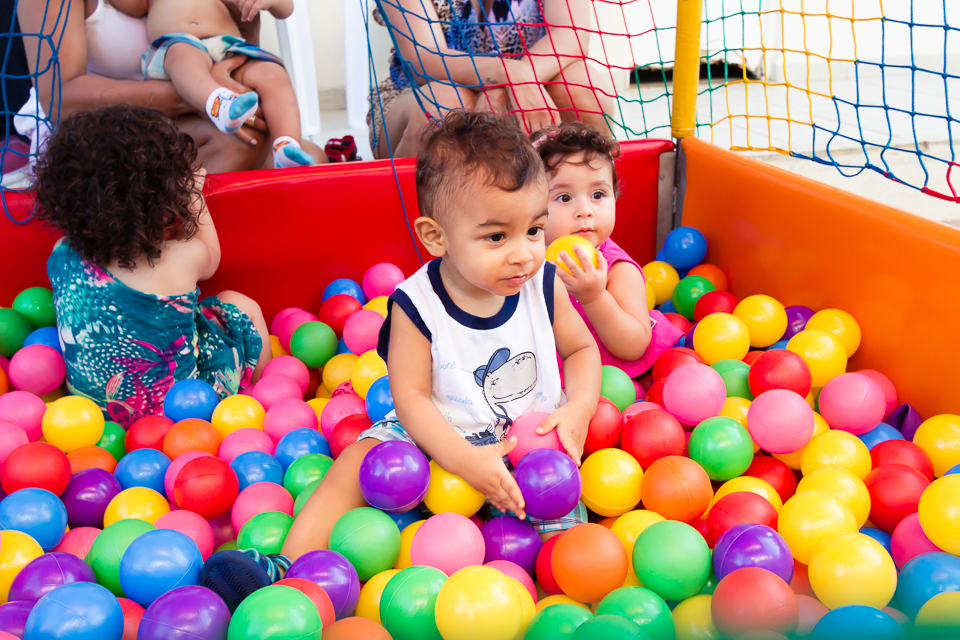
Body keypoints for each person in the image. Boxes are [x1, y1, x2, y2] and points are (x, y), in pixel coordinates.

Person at [280, 111, 601, 565]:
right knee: (359, 461)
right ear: (436, 237)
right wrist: (464, 461)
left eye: (534, 229)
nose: (524, 254)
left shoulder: (544, 283)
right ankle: (288, 564)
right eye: (496, 237)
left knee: (563, 519)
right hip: (433, 436)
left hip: (528, 444)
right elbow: (410, 398)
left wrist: (579, 408)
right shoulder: (416, 305)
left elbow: (582, 349)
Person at [34, 105, 271, 429]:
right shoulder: (179, 259)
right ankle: (263, 396)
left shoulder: (61, 253)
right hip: (187, 414)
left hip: (93, 421)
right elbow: (212, 258)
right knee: (239, 304)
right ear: (164, 204)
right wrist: (194, 196)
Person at [15, 0, 325, 174]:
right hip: (96, 124)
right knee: (240, 145)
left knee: (310, 159)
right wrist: (194, 96)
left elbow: (235, 49)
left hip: (194, 107)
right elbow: (60, 100)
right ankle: (166, 261)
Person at [369, 0, 616, 159]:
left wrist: (509, 86)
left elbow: (571, 35)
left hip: (534, 77)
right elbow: (423, 58)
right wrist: (508, 75)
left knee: (582, 88)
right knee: (444, 107)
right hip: (422, 90)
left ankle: (589, 213)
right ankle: (419, 226)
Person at [534, 122, 684, 378]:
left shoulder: (617, 269)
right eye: (565, 198)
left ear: (615, 196)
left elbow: (634, 345)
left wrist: (594, 297)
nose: (585, 210)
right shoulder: (527, 257)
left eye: (598, 194)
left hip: (613, 373)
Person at [109, 0, 313, 169]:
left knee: (272, 73)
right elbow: (131, 5)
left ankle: (286, 146)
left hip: (229, 47)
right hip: (178, 43)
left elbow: (285, 8)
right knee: (185, 57)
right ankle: (218, 102)